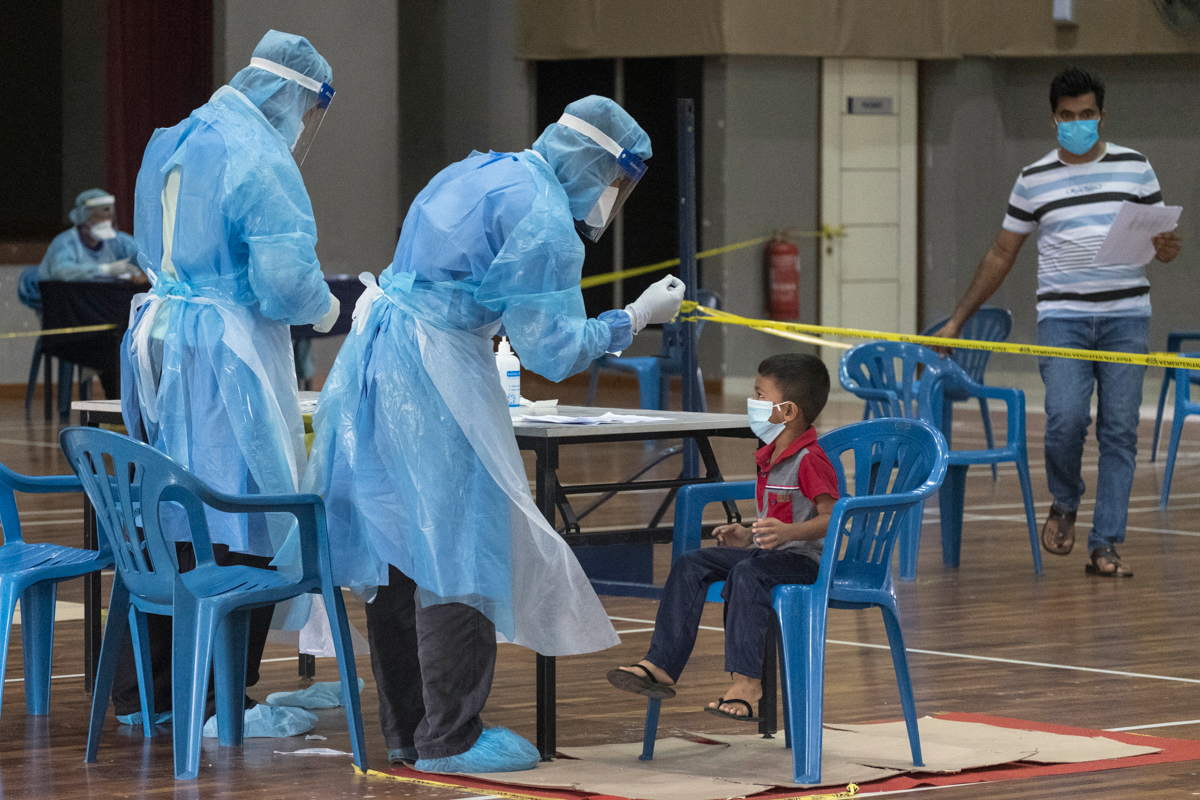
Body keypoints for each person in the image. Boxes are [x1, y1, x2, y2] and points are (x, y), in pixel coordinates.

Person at [303, 95, 684, 773]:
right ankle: (450, 738)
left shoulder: (478, 171)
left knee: (396, 550)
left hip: (375, 363)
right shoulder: (545, 221)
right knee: (460, 553)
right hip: (438, 374)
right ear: (597, 164)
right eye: (615, 179)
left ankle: (407, 730)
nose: (610, 196)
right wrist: (631, 318)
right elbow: (552, 350)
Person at [114, 30, 340, 735]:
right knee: (242, 510)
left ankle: (149, 690)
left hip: (162, 340)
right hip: (224, 354)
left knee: (168, 510)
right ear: (294, 96)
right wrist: (329, 306)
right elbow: (285, 281)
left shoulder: (173, 138)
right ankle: (217, 696)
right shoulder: (259, 155)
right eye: (310, 110)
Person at [931, 67, 1181, 579]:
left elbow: (1164, 245)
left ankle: (1105, 542)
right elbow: (1001, 254)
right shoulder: (1033, 178)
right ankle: (1065, 500)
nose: (1077, 123)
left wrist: (1168, 248)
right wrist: (957, 320)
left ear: (1102, 115)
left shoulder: (1136, 167)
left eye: (1087, 114)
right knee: (1065, 420)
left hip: (1127, 318)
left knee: (1120, 431)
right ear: (1053, 119)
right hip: (1063, 320)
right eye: (1068, 116)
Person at [606, 354, 836, 719]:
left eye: (760, 395)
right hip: (769, 555)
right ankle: (661, 664)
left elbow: (833, 517)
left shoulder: (809, 459)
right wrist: (748, 535)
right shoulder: (771, 455)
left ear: (788, 411)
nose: (752, 402)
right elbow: (779, 516)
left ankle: (747, 683)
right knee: (691, 564)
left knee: (746, 574)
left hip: (804, 562)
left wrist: (790, 533)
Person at [38, 189, 142, 283]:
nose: (105, 220)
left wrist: (142, 272)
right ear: (82, 218)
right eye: (98, 216)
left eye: (108, 216)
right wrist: (105, 269)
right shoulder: (65, 242)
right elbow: (61, 272)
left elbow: (143, 256)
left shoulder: (118, 241)